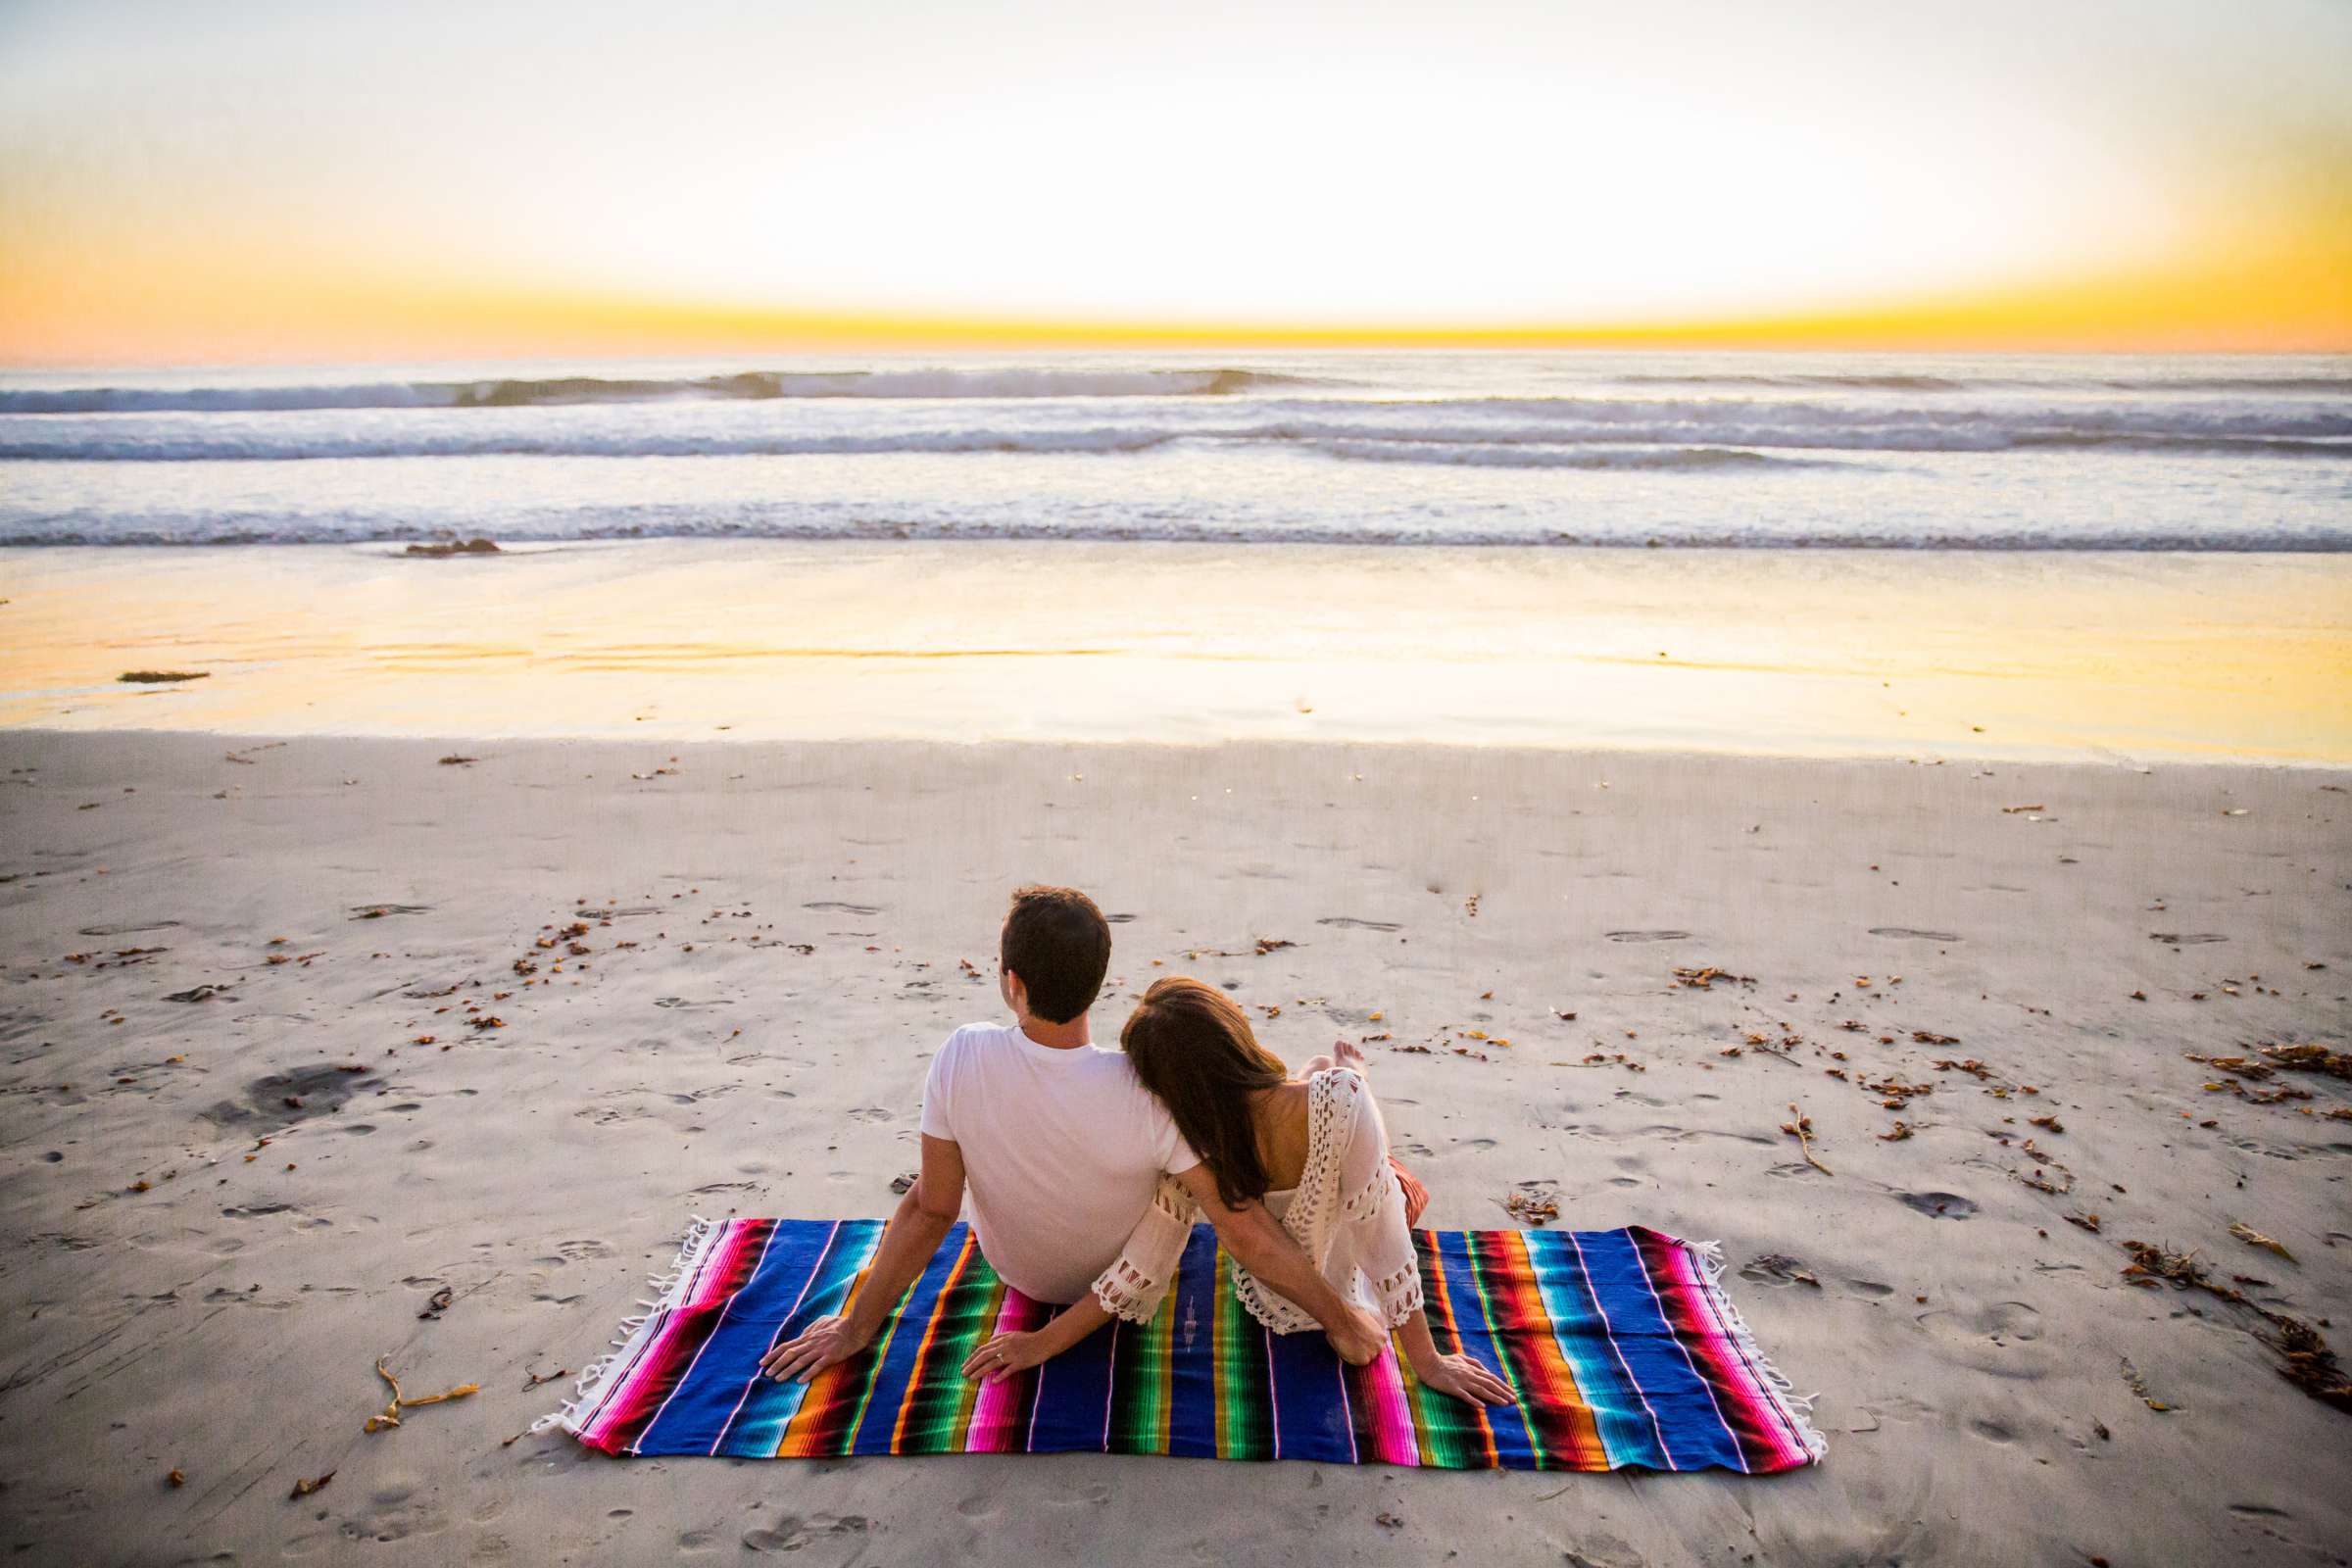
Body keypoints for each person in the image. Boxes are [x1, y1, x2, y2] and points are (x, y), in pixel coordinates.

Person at [759, 889, 1389, 1384]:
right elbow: (1243, 1228)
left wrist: (855, 1326)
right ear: (1100, 984)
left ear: (1014, 985)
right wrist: (1342, 1320)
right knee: (1201, 1171)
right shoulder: (1143, 1092)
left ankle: (1329, 1086)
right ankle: (1338, 1092)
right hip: (1113, 1278)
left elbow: (933, 1207)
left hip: (1018, 1274)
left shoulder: (960, 1056)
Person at [956, 976, 1515, 1407]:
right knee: (1377, 1155)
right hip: (1349, 1273)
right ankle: (1352, 1073)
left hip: (1276, 1301)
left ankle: (1331, 1072)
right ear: (1235, 1032)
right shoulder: (1334, 1102)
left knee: (1327, 1088)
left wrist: (1042, 1341)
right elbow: (1384, 1237)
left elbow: (1136, 1268)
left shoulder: (1187, 1146)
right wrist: (1428, 1361)